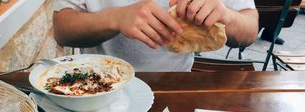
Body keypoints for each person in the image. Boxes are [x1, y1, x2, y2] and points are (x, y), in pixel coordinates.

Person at [53, 0, 258, 71]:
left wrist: (226, 15)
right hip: (98, 87)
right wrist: (115, 18)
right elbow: (63, 30)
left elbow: (249, 31)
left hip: (174, 84)